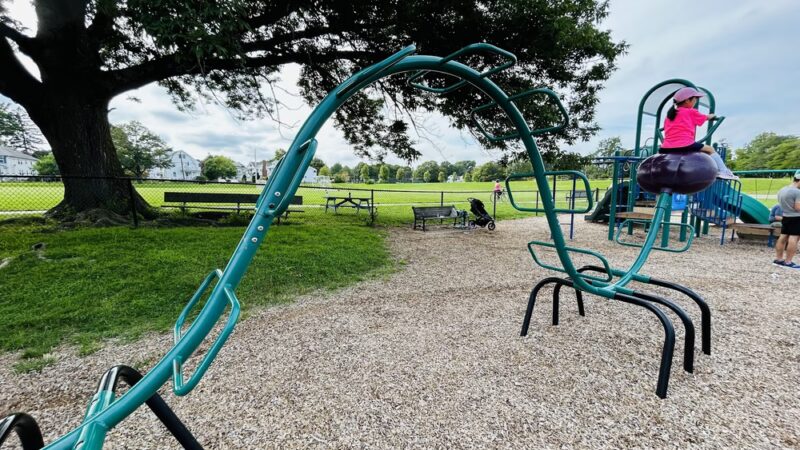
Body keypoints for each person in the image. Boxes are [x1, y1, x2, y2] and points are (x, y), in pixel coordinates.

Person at [659, 87, 737, 180]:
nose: (695, 101)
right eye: (695, 99)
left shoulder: (669, 116)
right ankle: (723, 171)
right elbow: (704, 117)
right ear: (687, 100)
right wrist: (711, 116)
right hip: (684, 144)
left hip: (665, 147)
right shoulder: (690, 112)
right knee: (710, 149)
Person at [773, 171, 800, 268]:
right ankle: (788, 262)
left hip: (785, 216)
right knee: (794, 238)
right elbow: (797, 207)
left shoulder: (782, 189)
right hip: (796, 218)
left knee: (783, 237)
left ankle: (778, 259)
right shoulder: (797, 192)